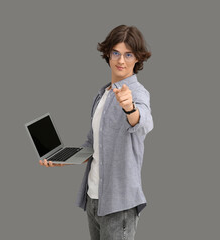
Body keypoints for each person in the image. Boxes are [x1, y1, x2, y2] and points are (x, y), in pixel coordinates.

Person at [40, 25, 153, 240]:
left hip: (119, 204)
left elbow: (144, 122)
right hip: (94, 198)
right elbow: (92, 145)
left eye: (128, 54)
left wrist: (130, 108)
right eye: (116, 53)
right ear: (108, 55)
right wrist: (64, 158)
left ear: (137, 59)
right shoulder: (103, 94)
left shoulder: (138, 93)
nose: (121, 60)